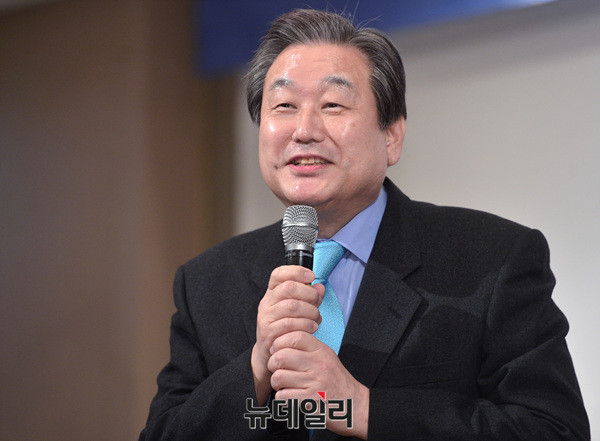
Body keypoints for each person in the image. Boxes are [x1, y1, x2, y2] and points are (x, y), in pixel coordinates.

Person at [139, 9, 589, 441]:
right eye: (284, 105)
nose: (304, 130)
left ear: (392, 136)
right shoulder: (207, 283)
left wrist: (362, 408)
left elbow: (553, 431)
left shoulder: (493, 259)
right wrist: (256, 369)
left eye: (333, 104)